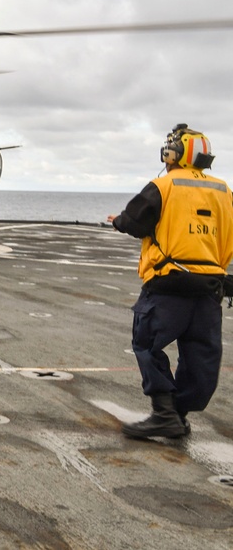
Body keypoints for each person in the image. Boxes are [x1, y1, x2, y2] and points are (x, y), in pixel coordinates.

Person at [108, 123, 233, 439]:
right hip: (209, 289)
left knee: (147, 343)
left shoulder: (163, 186)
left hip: (168, 286)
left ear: (174, 154)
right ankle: (178, 414)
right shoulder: (225, 191)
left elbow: (134, 222)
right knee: (202, 357)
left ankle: (164, 413)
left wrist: (119, 222)